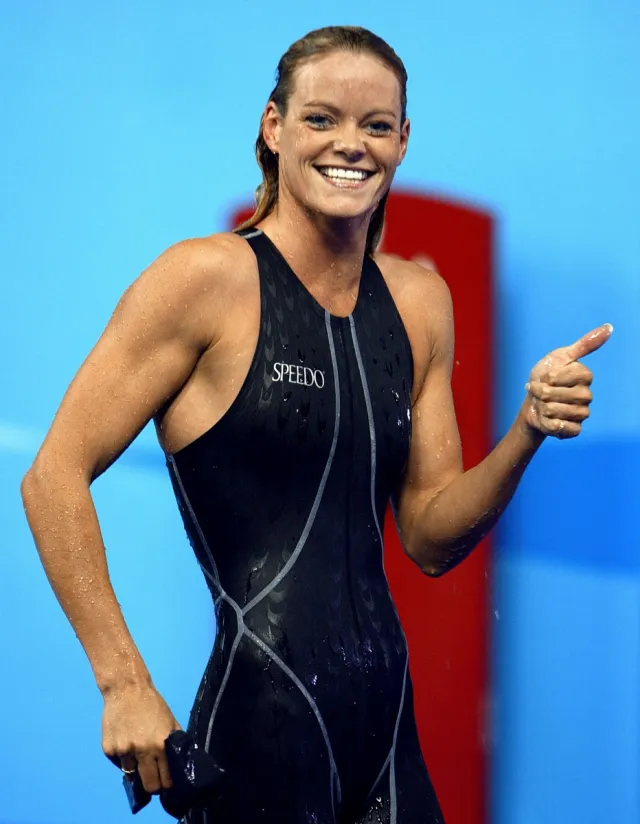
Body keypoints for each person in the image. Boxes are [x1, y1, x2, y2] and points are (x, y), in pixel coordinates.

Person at [21, 25, 611, 824]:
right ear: (274, 129)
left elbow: (431, 538)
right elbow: (52, 473)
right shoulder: (204, 281)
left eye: (375, 125)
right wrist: (123, 681)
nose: (350, 145)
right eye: (321, 119)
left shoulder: (418, 303)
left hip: (387, 734)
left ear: (403, 142)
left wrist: (526, 433)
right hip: (260, 732)